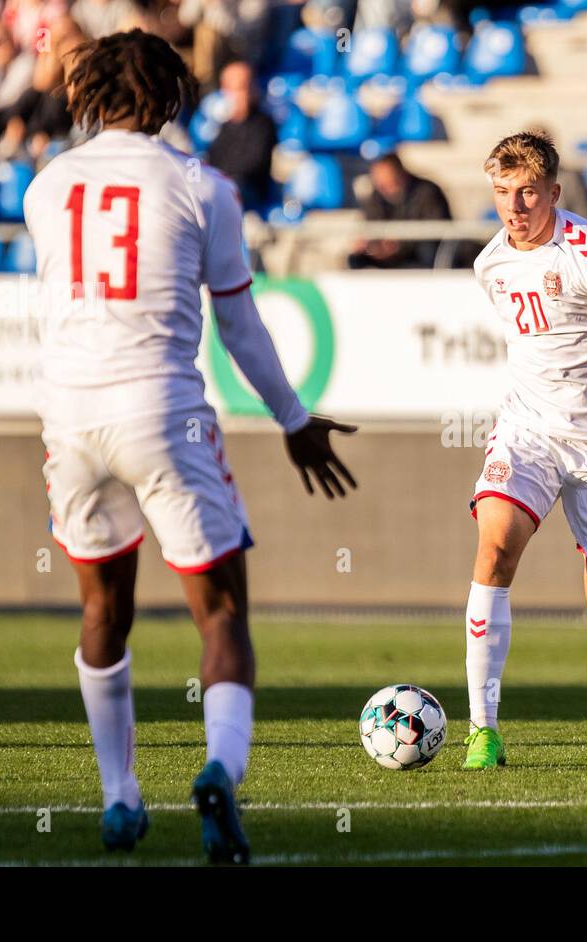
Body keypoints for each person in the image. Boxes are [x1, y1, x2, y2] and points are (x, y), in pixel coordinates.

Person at [23, 28, 357, 864]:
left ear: (91, 92)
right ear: (172, 96)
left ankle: (117, 799)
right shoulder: (201, 187)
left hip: (67, 416)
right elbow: (239, 323)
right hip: (161, 408)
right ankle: (218, 770)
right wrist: (292, 418)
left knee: (103, 610)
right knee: (223, 612)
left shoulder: (47, 185)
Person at [461, 130, 587, 770]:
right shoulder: (490, 263)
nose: (514, 207)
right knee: (494, 546)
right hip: (528, 430)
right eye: (502, 193)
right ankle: (483, 730)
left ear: (554, 190)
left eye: (527, 192)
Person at [347, 151, 452, 269]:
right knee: (355, 258)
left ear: (401, 174)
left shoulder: (427, 192)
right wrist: (372, 245)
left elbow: (436, 231)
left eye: (390, 182)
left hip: (419, 255)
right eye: (381, 184)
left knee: (426, 251)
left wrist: (399, 245)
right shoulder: (376, 197)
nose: (385, 188)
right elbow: (371, 224)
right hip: (389, 256)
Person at [206, 60, 275, 211]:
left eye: (243, 87)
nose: (239, 95)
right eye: (232, 89)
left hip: (249, 193)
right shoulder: (220, 127)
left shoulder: (263, 124)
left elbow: (254, 164)